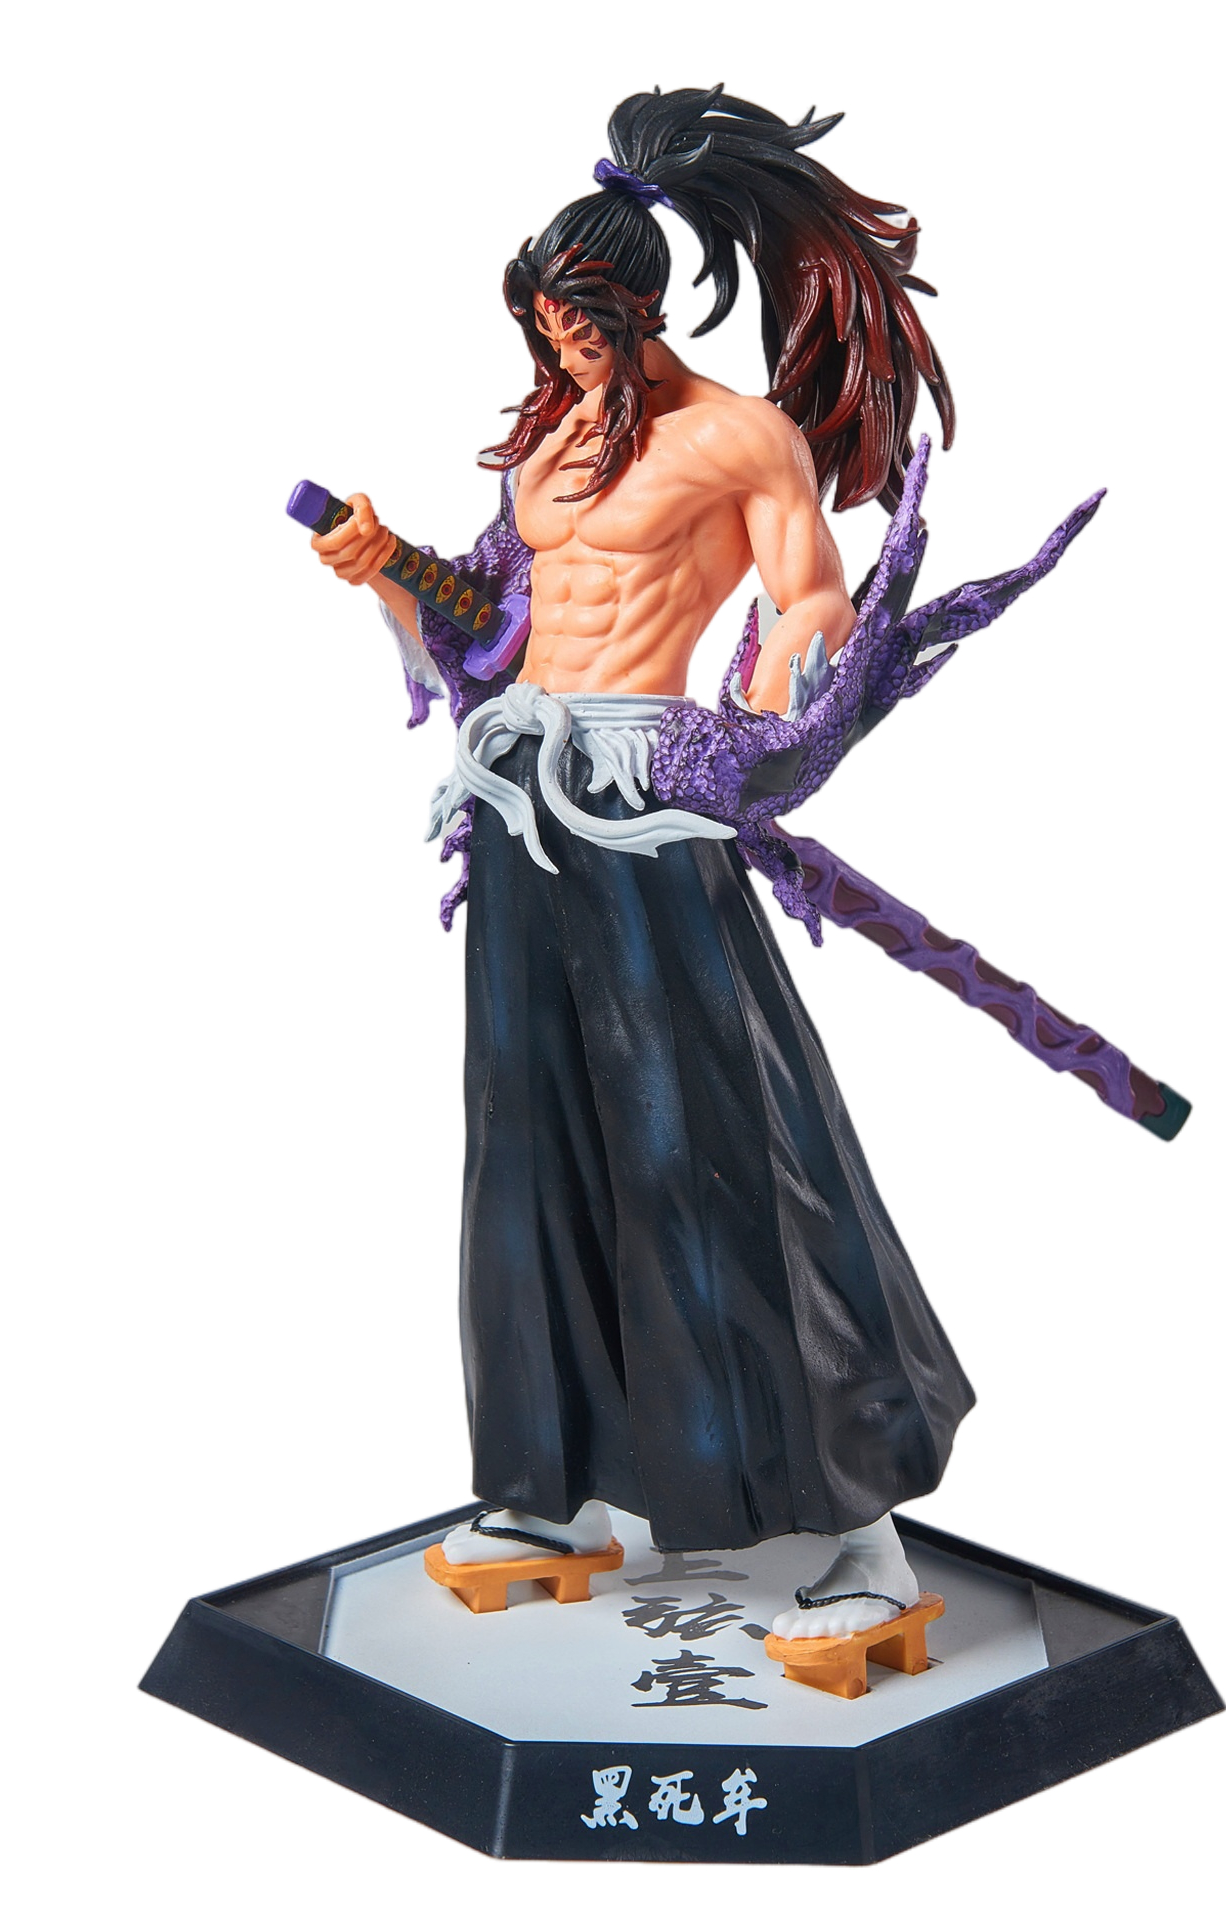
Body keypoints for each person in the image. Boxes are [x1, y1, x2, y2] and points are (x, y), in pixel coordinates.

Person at [310, 88, 973, 1641]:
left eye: (584, 319)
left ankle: (855, 1525)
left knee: (715, 1138)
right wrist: (384, 567)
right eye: (544, 321)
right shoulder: (548, 447)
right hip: (521, 802)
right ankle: (557, 1484)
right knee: (527, 1132)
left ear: (642, 302)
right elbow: (494, 624)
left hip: (648, 799)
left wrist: (752, 734)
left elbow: (810, 600)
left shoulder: (739, 436)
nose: (561, 346)